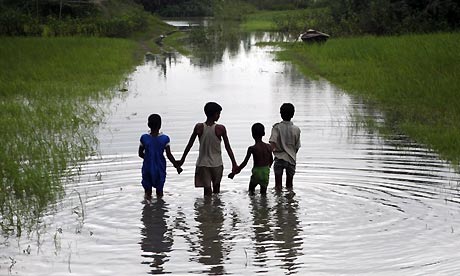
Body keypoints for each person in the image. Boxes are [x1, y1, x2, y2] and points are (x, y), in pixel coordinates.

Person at [179, 102, 238, 196]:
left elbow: (189, 145)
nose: (219, 116)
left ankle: (207, 209)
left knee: (207, 191)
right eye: (218, 114)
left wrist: (182, 160)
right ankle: (216, 209)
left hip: (203, 164)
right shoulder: (220, 128)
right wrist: (234, 164)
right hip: (217, 164)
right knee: (216, 190)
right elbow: (228, 147)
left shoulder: (199, 127)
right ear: (215, 114)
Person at [138, 114, 182, 200]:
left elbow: (140, 153)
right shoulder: (165, 139)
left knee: (147, 192)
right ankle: (160, 209)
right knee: (159, 191)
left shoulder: (144, 138)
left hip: (147, 167)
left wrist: (149, 159)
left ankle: (147, 208)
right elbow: (169, 155)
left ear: (148, 124)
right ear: (160, 125)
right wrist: (177, 166)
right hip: (160, 168)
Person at [229, 123, 273, 195]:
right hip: (265, 171)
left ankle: (253, 204)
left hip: (256, 172)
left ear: (252, 135)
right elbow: (271, 160)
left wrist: (234, 173)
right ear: (264, 133)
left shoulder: (252, 148)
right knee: (263, 194)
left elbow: (244, 163)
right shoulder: (269, 147)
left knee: (251, 191)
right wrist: (267, 168)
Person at [269, 103, 301, 191]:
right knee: (289, 186)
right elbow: (297, 147)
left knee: (278, 186)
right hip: (291, 159)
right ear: (293, 114)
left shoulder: (276, 128)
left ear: (280, 113)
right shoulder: (296, 129)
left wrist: (269, 158)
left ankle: (279, 201)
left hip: (279, 159)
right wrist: (292, 154)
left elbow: (272, 143)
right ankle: (290, 201)